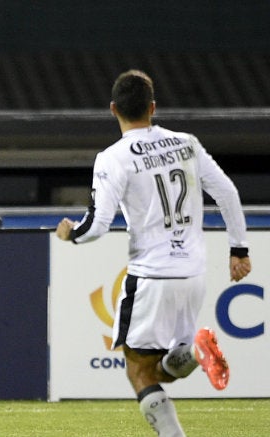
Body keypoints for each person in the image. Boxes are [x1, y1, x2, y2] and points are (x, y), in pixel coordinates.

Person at [55, 69, 252, 437]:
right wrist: (238, 249)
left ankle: (189, 372)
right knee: (161, 370)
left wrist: (69, 233)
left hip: (151, 276)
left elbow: (97, 225)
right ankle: (193, 352)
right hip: (193, 274)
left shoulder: (113, 158)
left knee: (139, 371)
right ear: (153, 107)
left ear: (113, 109)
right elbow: (227, 192)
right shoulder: (187, 143)